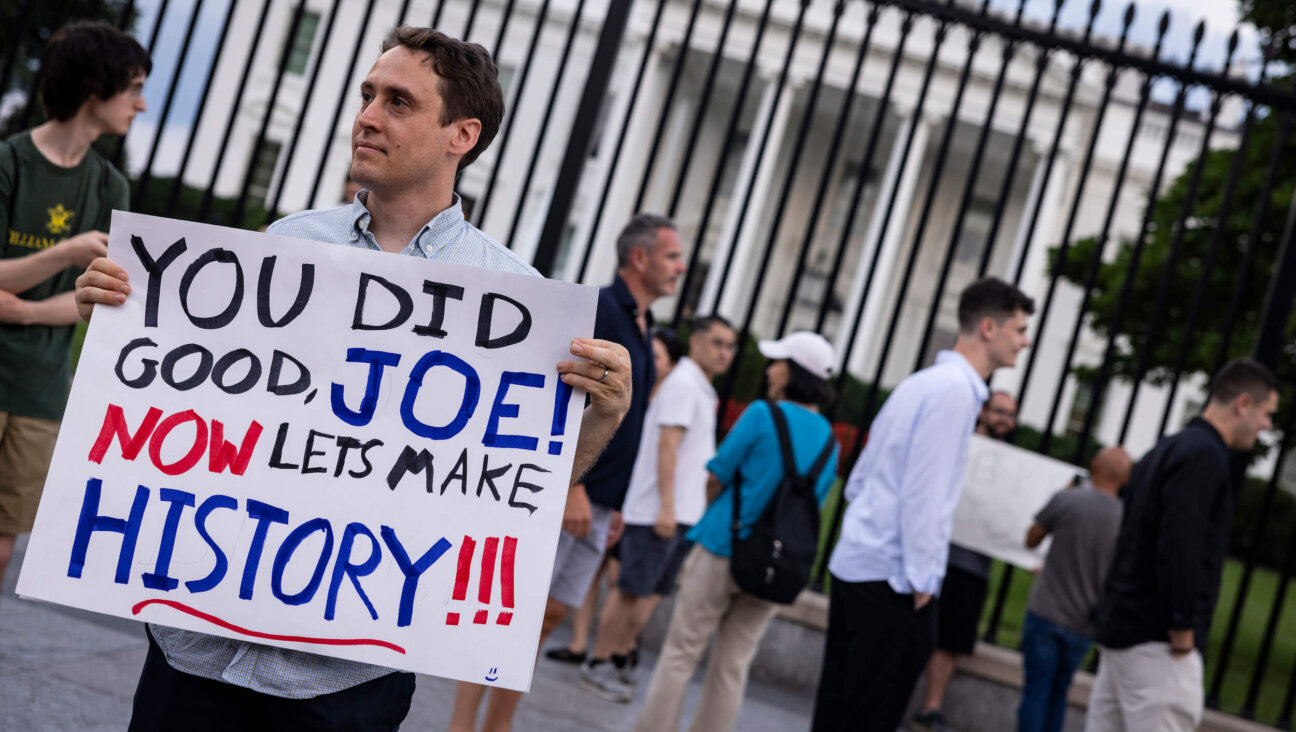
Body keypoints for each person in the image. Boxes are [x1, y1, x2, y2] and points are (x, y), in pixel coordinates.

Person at [74, 27, 632, 730]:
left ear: (462, 134)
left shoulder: (516, 304)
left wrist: (602, 421)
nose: (366, 115)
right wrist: (123, 333)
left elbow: (507, 503)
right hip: (195, 648)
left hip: (343, 679)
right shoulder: (285, 245)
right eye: (367, 94)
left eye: (398, 101)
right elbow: (193, 418)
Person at [451, 212, 685, 731]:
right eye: (672, 256)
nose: (681, 267)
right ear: (639, 258)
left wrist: (618, 502)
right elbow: (555, 396)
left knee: (547, 620)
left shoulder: (644, 327)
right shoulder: (600, 310)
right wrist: (571, 485)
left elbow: (626, 416)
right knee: (507, 622)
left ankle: (498, 725)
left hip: (603, 503)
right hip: (568, 495)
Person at [811, 277, 1034, 732]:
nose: (1025, 341)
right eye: (1019, 329)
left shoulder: (926, 382)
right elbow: (924, 496)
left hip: (860, 563)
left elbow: (862, 477)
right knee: (868, 716)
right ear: (988, 328)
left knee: (838, 711)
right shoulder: (955, 391)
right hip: (893, 578)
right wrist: (922, 582)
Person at [0, 21, 150, 587]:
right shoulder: (9, 163)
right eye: (132, 87)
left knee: (2, 549)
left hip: (40, 388)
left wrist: (24, 310)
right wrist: (64, 254)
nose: (140, 103)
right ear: (96, 89)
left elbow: (105, 298)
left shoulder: (110, 186)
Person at [635, 331, 840, 732]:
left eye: (778, 362)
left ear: (793, 372)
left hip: (721, 545)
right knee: (733, 665)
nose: (771, 369)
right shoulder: (829, 440)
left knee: (681, 652)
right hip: (775, 563)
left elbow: (718, 472)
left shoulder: (764, 414)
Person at [1085, 359, 1279, 732]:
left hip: (1123, 630)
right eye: (1266, 413)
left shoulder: (1167, 448)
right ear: (1242, 403)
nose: (1267, 425)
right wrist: (1182, 632)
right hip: (1157, 643)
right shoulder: (1204, 457)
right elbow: (1180, 547)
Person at [580, 315, 737, 702]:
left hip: (681, 511)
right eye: (717, 343)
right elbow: (667, 446)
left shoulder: (700, 387)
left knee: (648, 593)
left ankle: (615, 658)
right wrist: (666, 507)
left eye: (730, 346)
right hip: (659, 509)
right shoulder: (684, 384)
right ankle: (600, 661)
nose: (724, 353)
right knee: (632, 590)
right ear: (696, 342)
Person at [547, 325, 684, 667]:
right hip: (584, 495)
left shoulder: (652, 393)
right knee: (546, 603)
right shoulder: (611, 316)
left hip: (614, 501)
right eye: (651, 356)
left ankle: (590, 647)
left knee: (574, 596)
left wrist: (621, 502)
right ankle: (586, 646)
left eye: (657, 358)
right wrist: (574, 488)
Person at [913, 390, 1018, 732]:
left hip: (974, 564)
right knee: (916, 629)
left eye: (1010, 415)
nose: (1004, 419)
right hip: (939, 554)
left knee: (952, 641)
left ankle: (931, 708)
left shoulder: (1014, 467)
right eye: (999, 411)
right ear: (983, 412)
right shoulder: (960, 444)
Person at [1017, 446, 1132, 732]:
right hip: (1084, 621)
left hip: (1047, 610)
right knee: (1059, 694)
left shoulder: (1068, 500)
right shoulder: (1127, 520)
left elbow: (1031, 540)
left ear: (1094, 466)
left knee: (1036, 690)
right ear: (1126, 480)